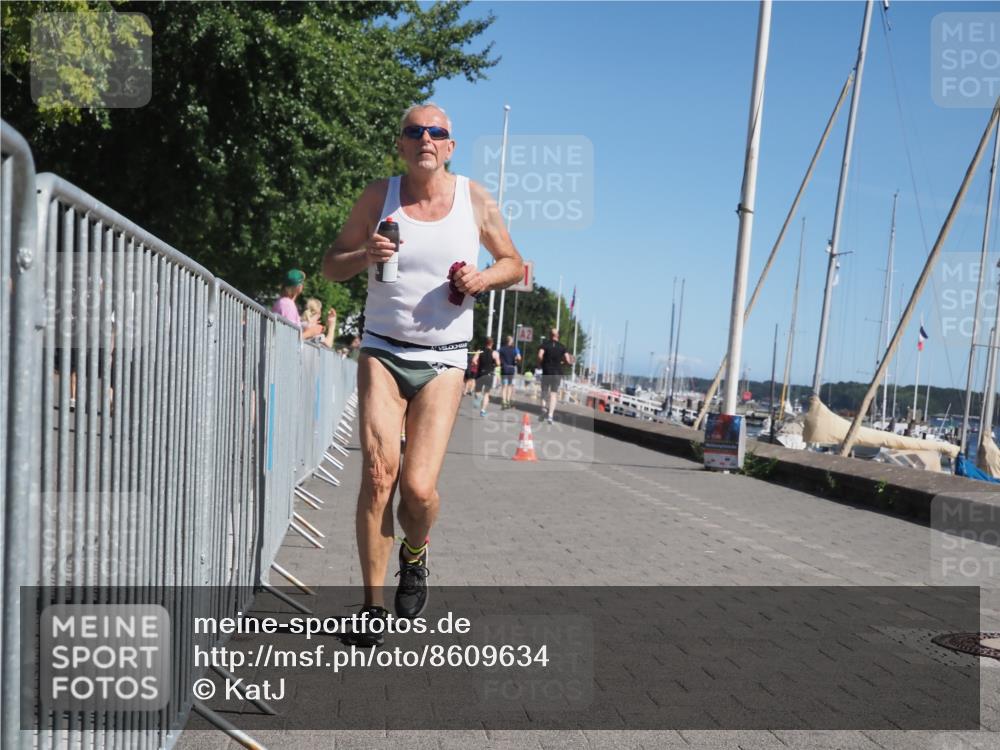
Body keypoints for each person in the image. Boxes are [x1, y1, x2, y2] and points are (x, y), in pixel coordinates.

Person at [322, 102, 523, 645]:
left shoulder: (474, 199)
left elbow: (513, 263)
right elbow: (330, 264)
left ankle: (416, 552)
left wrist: (483, 280)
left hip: (444, 358)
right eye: (415, 132)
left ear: (450, 147)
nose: (426, 138)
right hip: (383, 351)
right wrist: (366, 253)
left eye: (437, 132)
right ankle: (370, 607)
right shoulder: (377, 196)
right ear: (402, 145)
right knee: (379, 477)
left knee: (418, 487)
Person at [272, 269, 325, 340]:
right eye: (302, 283)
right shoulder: (287, 305)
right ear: (299, 287)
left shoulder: (283, 302)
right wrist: (311, 332)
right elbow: (290, 337)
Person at [537, 327, 573, 424]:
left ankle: (543, 408)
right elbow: (568, 360)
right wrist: (566, 362)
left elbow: (540, 355)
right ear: (558, 336)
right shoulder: (562, 347)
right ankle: (550, 416)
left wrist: (540, 363)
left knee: (544, 391)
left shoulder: (544, 345)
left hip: (547, 371)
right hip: (557, 373)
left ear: (550, 335)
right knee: (554, 394)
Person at [475, 337, 501, 417]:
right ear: (492, 344)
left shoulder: (480, 351)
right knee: (487, 393)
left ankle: (479, 398)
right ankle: (483, 411)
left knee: (477, 392)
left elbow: (474, 360)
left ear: (485, 343)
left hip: (480, 374)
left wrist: (477, 364)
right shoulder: (495, 353)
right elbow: (498, 364)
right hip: (489, 375)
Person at [498, 335, 522, 409]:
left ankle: (504, 401)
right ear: (511, 341)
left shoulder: (501, 349)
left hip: (504, 368)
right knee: (509, 385)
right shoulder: (515, 349)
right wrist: (516, 360)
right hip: (511, 369)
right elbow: (519, 357)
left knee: (504, 386)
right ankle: (508, 400)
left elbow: (496, 355)